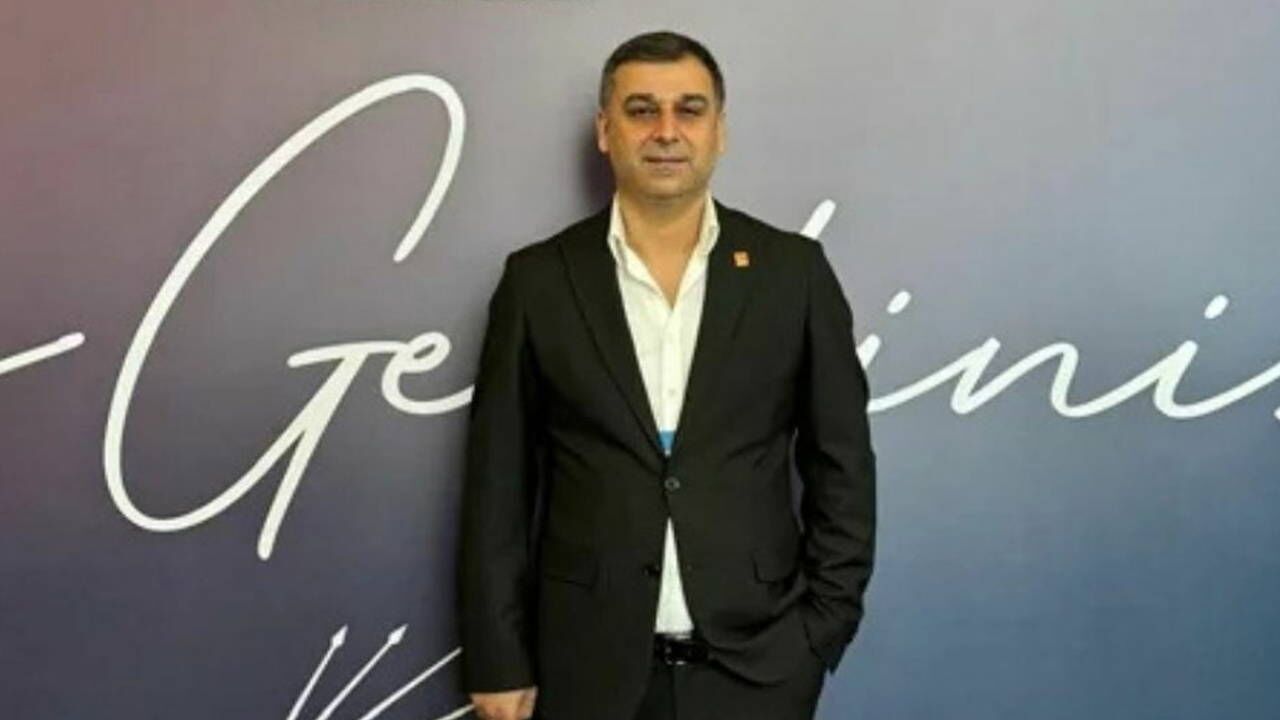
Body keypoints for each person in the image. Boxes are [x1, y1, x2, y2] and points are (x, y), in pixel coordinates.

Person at [458, 30, 876, 720]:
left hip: (759, 671)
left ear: (719, 130)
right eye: (642, 110)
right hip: (586, 672)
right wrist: (498, 659)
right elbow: (497, 484)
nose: (666, 132)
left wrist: (819, 633)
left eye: (690, 109)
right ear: (605, 130)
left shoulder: (793, 273)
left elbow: (844, 465)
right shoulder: (537, 281)